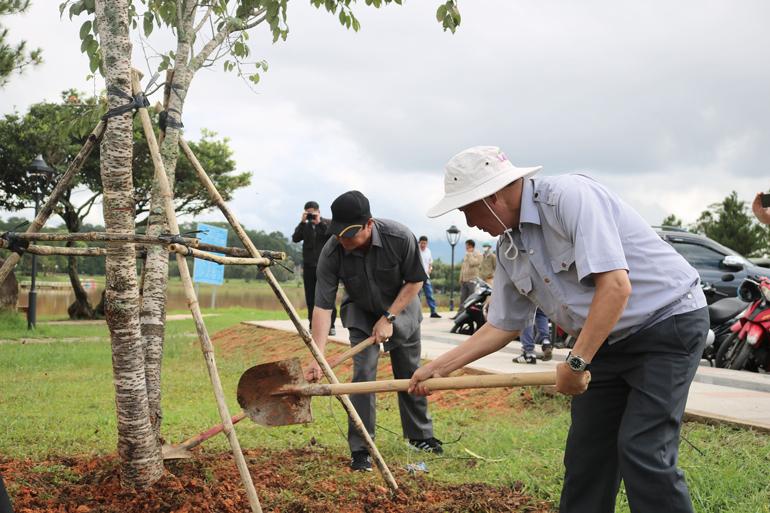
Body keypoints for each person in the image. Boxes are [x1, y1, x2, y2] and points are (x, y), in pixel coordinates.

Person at [409, 146, 708, 513]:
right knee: (587, 456)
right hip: (606, 340)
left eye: (467, 209)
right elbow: (502, 325)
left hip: (667, 323)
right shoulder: (508, 247)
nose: (469, 222)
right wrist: (439, 367)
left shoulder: (570, 198)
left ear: (492, 196)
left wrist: (577, 363)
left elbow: (615, 287)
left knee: (643, 448)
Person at [305, 190, 442, 472]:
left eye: (350, 235)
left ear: (369, 224)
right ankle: (362, 448)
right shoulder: (332, 251)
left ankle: (420, 437)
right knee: (363, 376)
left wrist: (389, 317)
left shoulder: (399, 237)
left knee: (410, 372)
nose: (344, 242)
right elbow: (322, 307)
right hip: (361, 312)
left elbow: (415, 280)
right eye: (339, 235)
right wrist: (317, 355)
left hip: (401, 308)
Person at [292, 200, 337, 336]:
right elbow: (295, 238)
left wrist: (320, 223)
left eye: (313, 213)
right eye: (308, 213)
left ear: (318, 212)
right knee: (310, 297)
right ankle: (313, 324)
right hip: (309, 266)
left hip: (325, 266)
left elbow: (333, 236)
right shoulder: (304, 226)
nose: (311, 216)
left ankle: (331, 325)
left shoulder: (327, 223)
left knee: (327, 296)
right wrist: (302, 222)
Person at [418, 236, 441, 318]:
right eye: (422, 243)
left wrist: (430, 269)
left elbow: (430, 262)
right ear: (419, 242)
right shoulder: (416, 250)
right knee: (417, 296)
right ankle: (417, 313)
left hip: (426, 276)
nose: (423, 245)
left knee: (430, 294)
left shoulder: (428, 251)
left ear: (427, 243)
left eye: (425, 243)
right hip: (417, 277)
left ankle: (433, 312)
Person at [459, 239, 483, 306]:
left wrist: (470, 254)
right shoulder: (466, 254)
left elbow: (473, 263)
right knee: (462, 298)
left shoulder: (478, 254)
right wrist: (461, 278)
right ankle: (460, 315)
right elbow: (463, 267)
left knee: (471, 298)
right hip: (464, 280)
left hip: (472, 280)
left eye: (466, 245)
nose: (465, 247)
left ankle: (470, 314)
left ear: (470, 246)